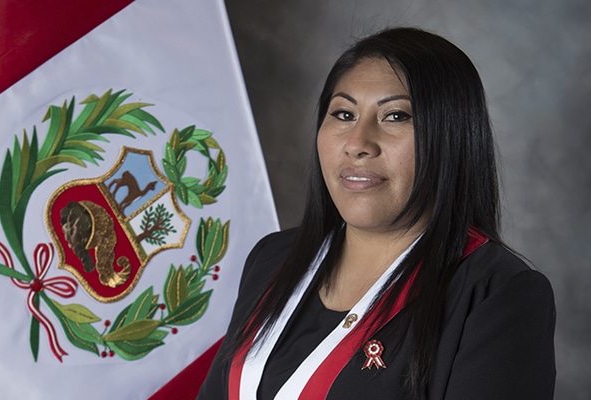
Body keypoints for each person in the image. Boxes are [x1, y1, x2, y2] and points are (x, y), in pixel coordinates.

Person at [198, 27, 556, 400]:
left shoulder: (497, 295)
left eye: (395, 116)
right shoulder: (273, 259)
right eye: (344, 114)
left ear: (450, 137)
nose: (357, 143)